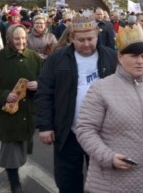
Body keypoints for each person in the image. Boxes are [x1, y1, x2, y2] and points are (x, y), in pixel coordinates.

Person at [75, 24, 143, 192]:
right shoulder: (101, 89)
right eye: (134, 56)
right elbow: (85, 129)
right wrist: (108, 157)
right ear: (120, 57)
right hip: (113, 183)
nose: (140, 61)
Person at [36, 12, 117, 193]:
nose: (86, 44)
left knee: (103, 182)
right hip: (67, 131)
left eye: (90, 38)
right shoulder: (57, 59)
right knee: (68, 181)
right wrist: (45, 126)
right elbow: (44, 92)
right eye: (81, 40)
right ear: (71, 38)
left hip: (102, 133)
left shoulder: (111, 58)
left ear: (97, 35)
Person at [0, 24, 43, 193]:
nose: (21, 42)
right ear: (9, 39)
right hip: (8, 112)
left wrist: (39, 84)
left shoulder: (33, 57)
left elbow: (45, 79)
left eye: (23, 38)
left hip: (28, 111)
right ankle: (14, 183)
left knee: (22, 146)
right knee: (10, 150)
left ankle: (14, 175)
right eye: (17, 39)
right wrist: (3, 94)